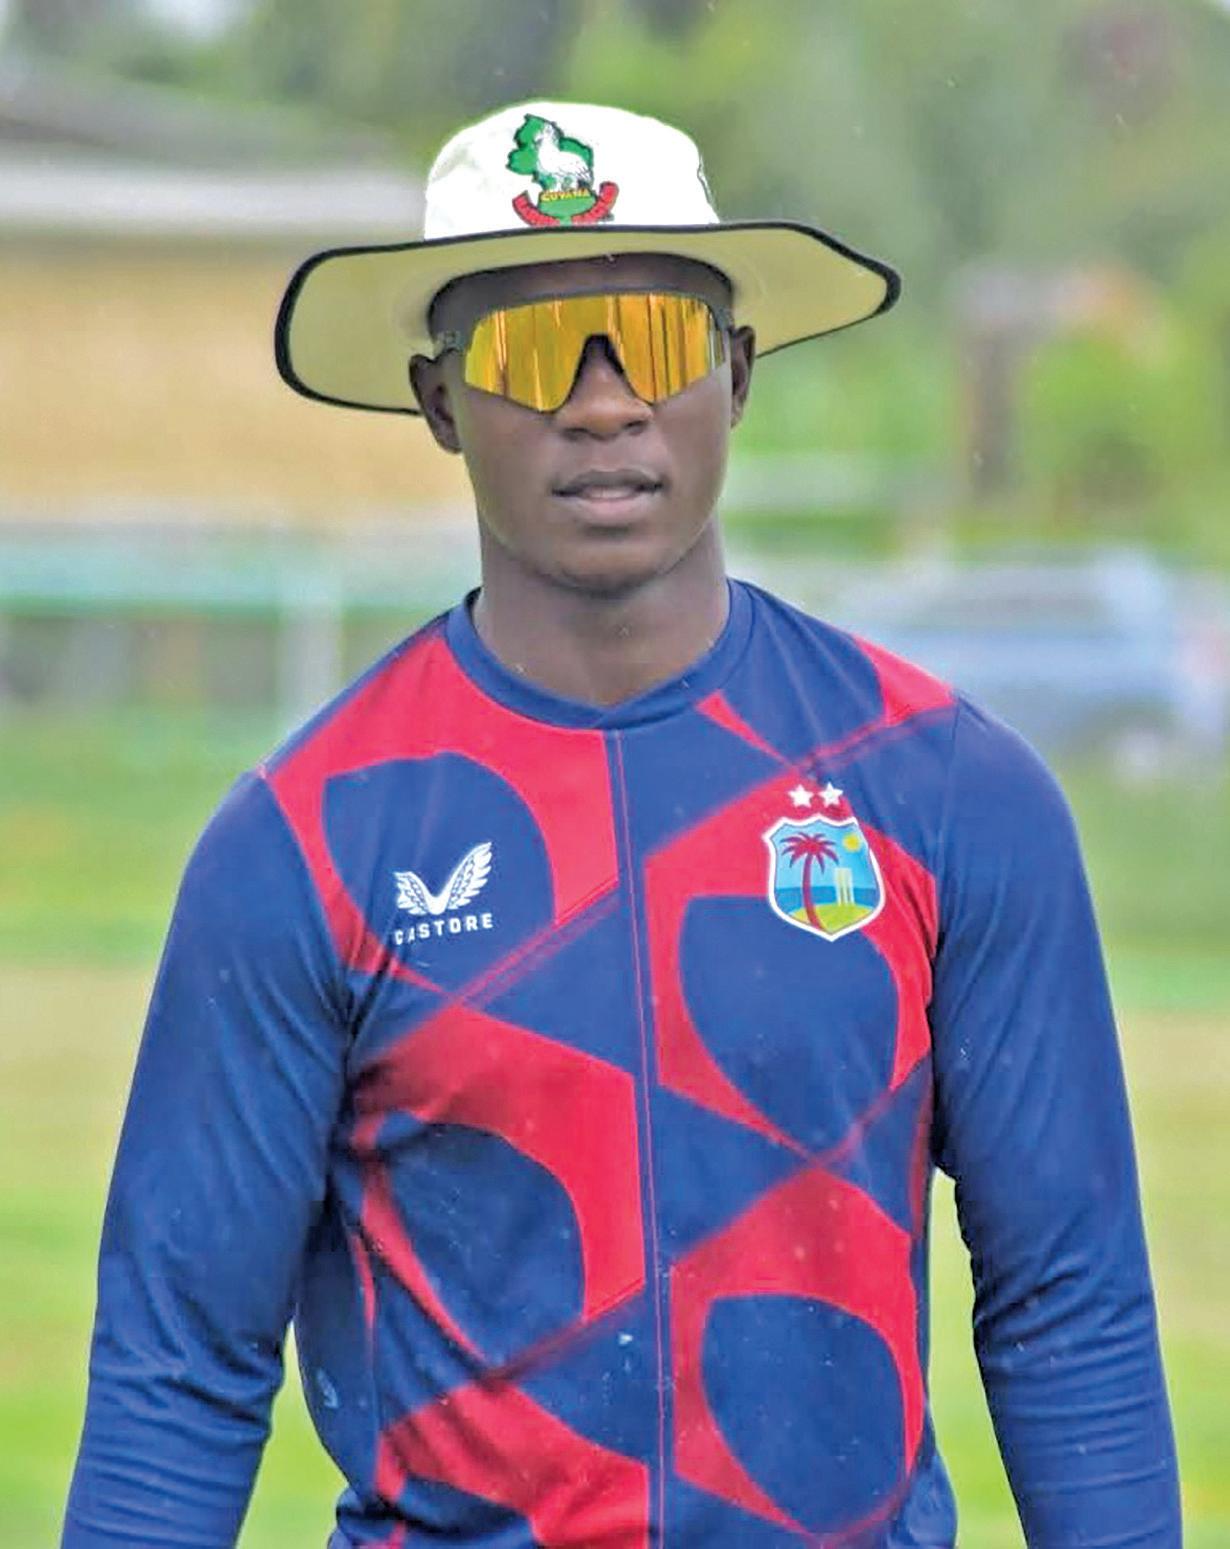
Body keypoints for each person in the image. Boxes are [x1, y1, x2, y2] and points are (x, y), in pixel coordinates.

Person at [62, 101, 1180, 1548]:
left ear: (737, 373)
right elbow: (178, 1370)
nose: (602, 405)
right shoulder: (301, 843)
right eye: (532, 354)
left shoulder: (949, 794)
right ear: (438, 401)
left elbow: (1068, 1310)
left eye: (653, 341)